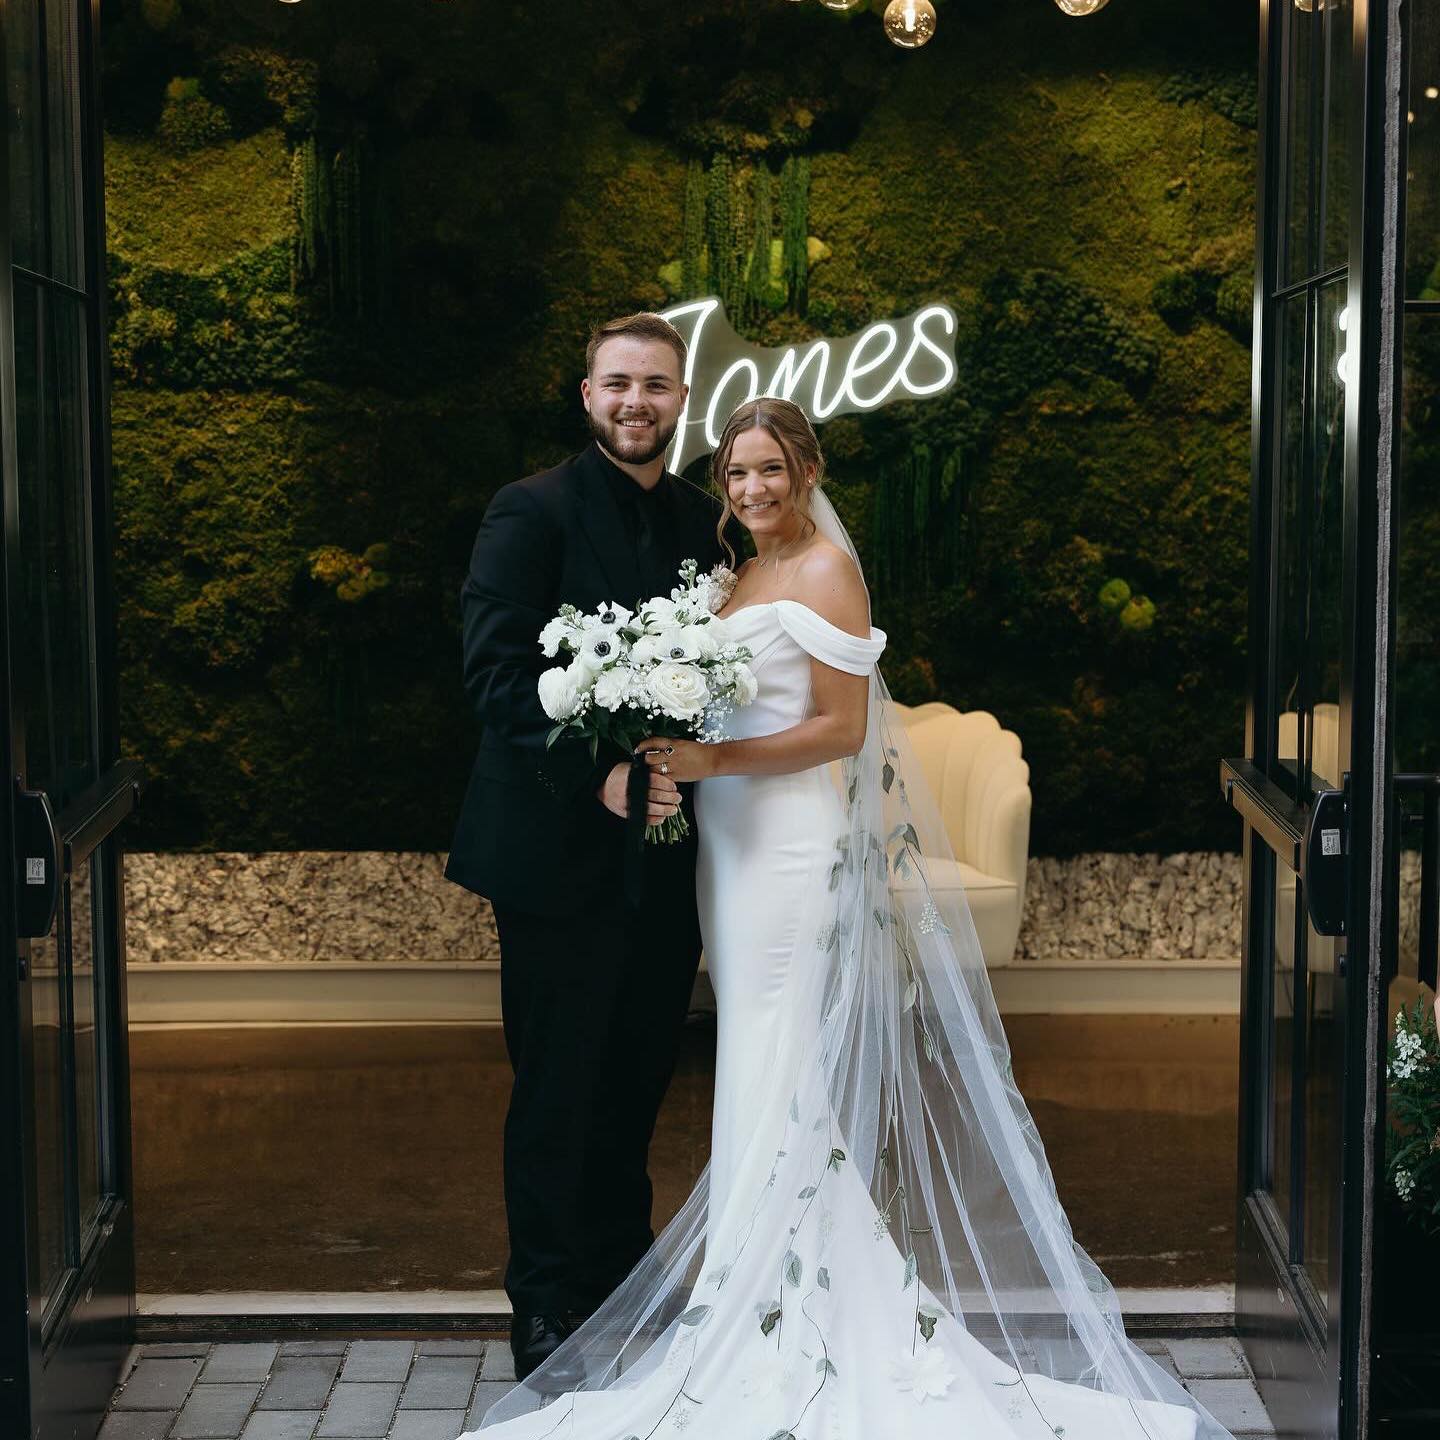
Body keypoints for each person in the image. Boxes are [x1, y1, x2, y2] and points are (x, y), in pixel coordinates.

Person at [465, 397, 1239, 1439]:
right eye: (738, 473)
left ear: (808, 469)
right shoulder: (733, 569)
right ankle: (755, 1297)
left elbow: (839, 729)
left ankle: (782, 1312)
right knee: (752, 1058)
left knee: (778, 1061)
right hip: (726, 854)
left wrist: (712, 761)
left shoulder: (826, 569)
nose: (752, 489)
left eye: (772, 470)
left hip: (787, 849)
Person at [444, 313, 741, 1380]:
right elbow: (492, 673)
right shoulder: (529, 511)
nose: (637, 403)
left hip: (665, 859)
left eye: (657, 385)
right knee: (559, 1082)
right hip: (554, 857)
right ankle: (544, 1304)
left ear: (680, 398)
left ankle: (625, 1279)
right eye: (619, 383)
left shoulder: (710, 523)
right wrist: (597, 771)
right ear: (587, 396)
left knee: (639, 1076)